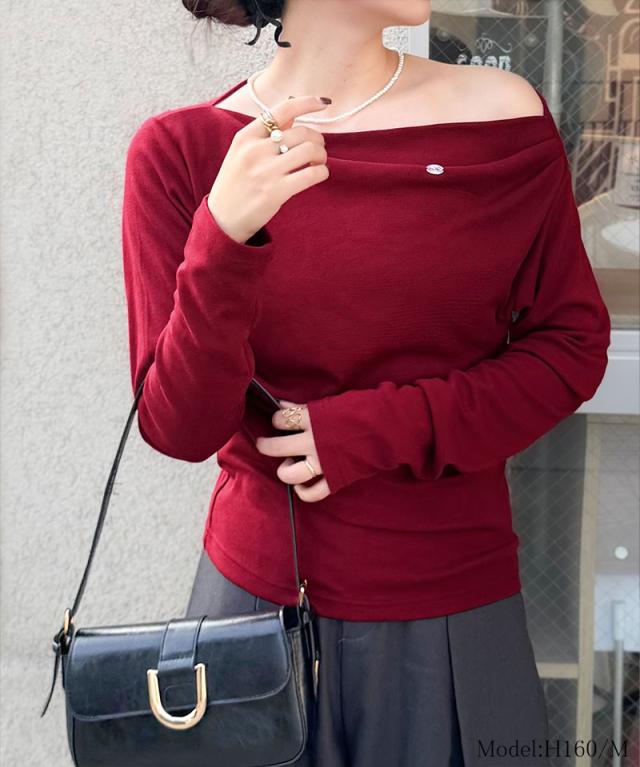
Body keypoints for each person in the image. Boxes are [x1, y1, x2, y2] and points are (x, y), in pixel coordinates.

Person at [120, 0, 612, 764]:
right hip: (254, 611)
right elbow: (178, 425)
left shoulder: (502, 122)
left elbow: (570, 346)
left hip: (454, 608)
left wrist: (375, 430)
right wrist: (224, 236)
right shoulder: (186, 152)